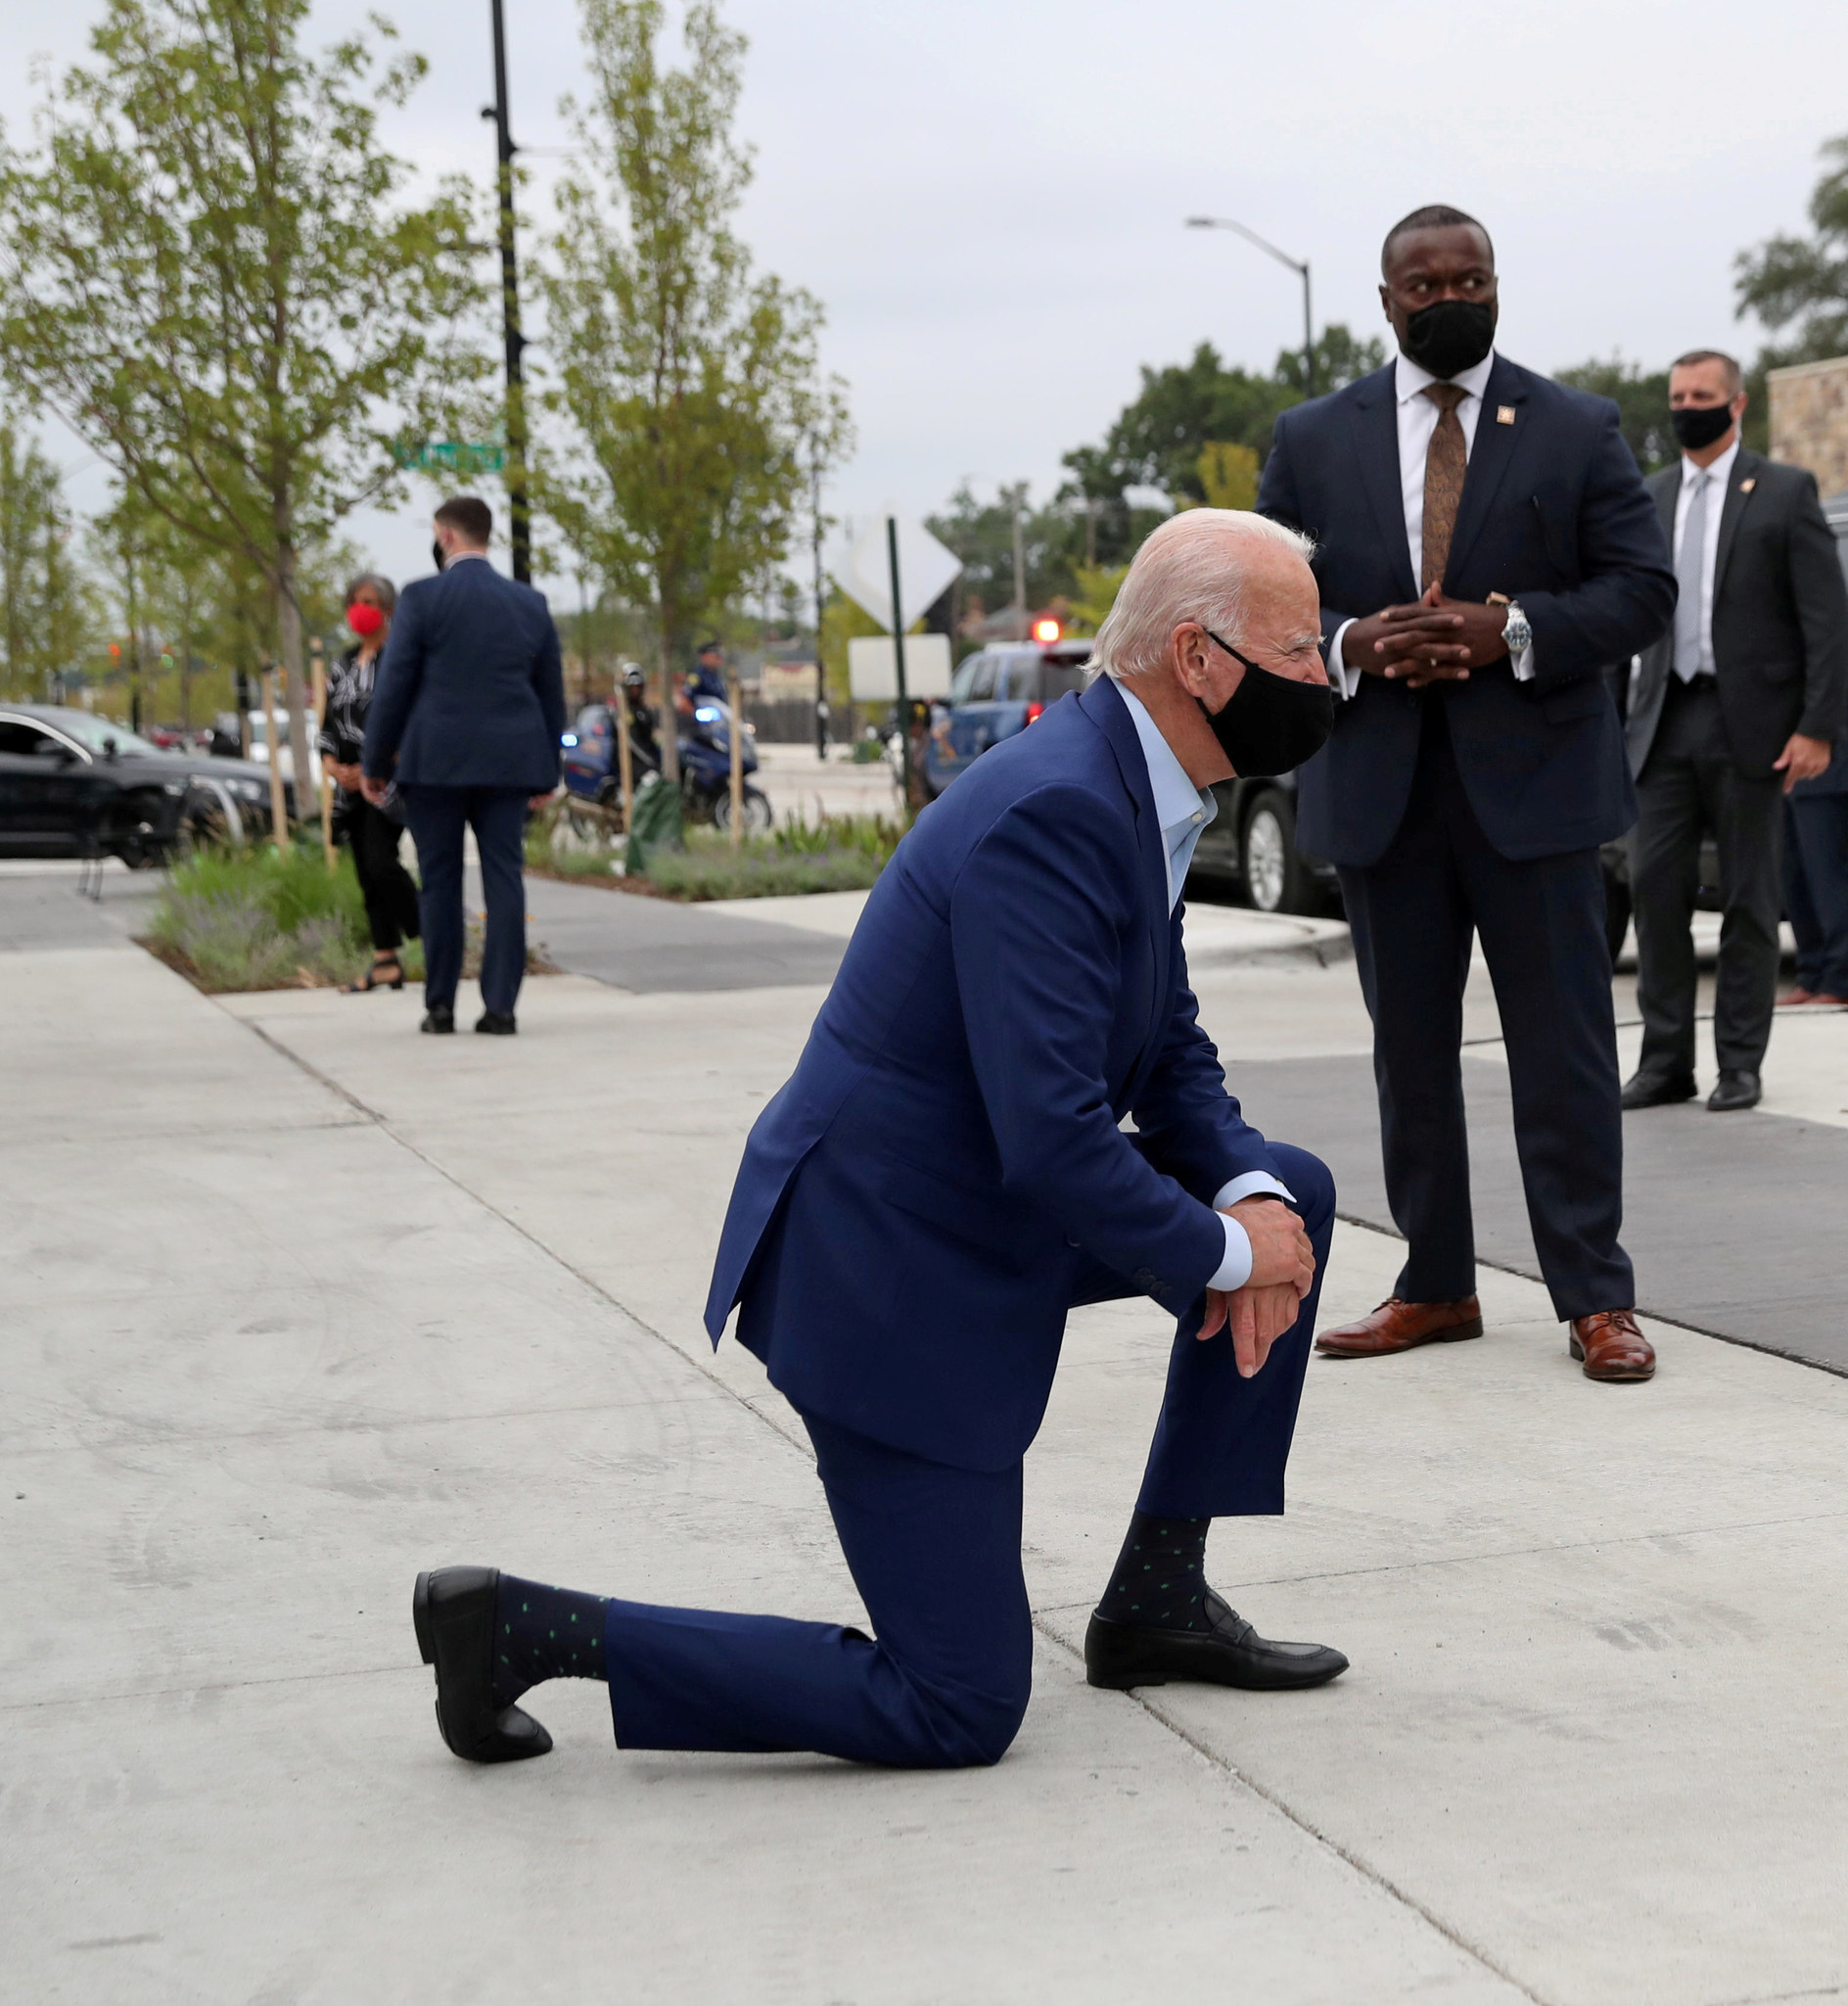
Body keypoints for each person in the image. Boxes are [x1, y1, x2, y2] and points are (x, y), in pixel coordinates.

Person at [407, 510, 1350, 1770]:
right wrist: (1231, 1259)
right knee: (957, 1705)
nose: (1324, 680)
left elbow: (1166, 1045)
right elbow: (1058, 1139)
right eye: (1300, 652)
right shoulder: (1060, 809)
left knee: (1288, 1190)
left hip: (977, 1213)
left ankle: (1158, 1600)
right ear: (1198, 658)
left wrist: (1246, 1202)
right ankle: (524, 1628)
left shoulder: (1135, 787)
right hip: (891, 1270)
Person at [1256, 205, 1676, 1383]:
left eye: (1472, 277)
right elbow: (1263, 597)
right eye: (1426, 283)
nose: (1452, 297)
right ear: (1385, 301)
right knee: (1413, 1056)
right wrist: (1351, 643)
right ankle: (1435, 1285)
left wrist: (1516, 630)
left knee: (1567, 1052)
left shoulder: (1579, 427)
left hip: (1537, 796)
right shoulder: (1311, 436)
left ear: (1499, 285)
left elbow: (1643, 590)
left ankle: (1596, 1297)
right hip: (1383, 792)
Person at [1617, 351, 1848, 1111]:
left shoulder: (1784, 492)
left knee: (1751, 900)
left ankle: (1740, 1064)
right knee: (1655, 892)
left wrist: (1818, 725)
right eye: (1678, 395)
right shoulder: (1647, 497)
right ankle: (1665, 1062)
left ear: (1737, 402)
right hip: (1663, 720)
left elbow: (1828, 621)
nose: (1689, 406)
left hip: (1752, 724)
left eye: (1703, 395)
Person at [360, 496, 566, 1037]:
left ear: (445, 536)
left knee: (440, 882)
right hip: (509, 763)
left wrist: (375, 761)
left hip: (436, 764)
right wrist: (548, 770)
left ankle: (441, 1006)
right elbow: (550, 695)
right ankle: (500, 1007)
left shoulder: (422, 598)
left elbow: (395, 684)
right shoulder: (529, 603)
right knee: (504, 878)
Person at [314, 573, 420, 995]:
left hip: (385, 782)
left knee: (381, 863)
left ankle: (429, 924)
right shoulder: (341, 663)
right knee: (366, 874)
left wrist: (373, 766)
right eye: (356, 600)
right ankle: (385, 960)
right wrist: (331, 766)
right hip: (347, 786)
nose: (361, 608)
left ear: (389, 609)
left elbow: (409, 720)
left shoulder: (399, 658)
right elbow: (326, 726)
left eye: (371, 601)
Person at [1780, 598, 1848, 1011]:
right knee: (1792, 875)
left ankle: (1840, 980)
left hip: (1826, 761)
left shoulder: (1838, 611)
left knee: (1825, 874)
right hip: (1785, 764)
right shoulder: (1788, 608)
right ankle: (1811, 972)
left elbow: (1835, 676)